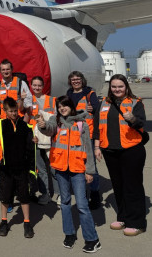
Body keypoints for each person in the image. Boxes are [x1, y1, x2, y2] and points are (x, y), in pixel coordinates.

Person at [38, 96, 101, 253]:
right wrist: (43, 126)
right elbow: (49, 129)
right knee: (65, 203)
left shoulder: (81, 124)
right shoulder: (56, 121)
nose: (62, 108)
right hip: (61, 169)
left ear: (71, 106)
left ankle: (92, 239)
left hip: (78, 170)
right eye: (59, 106)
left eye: (64, 105)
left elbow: (88, 149)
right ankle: (69, 234)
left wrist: (90, 171)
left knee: (82, 205)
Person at [93, 74, 147, 236]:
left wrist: (133, 118)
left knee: (132, 186)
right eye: (114, 86)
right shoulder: (104, 103)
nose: (117, 89)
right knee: (118, 185)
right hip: (110, 151)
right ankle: (123, 217)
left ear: (126, 87)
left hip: (131, 150)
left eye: (120, 86)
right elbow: (97, 126)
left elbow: (141, 123)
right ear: (110, 88)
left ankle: (137, 222)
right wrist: (97, 147)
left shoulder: (135, 102)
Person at [0, 98, 34, 239]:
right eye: (10, 111)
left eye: (15, 111)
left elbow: (31, 141)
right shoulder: (1, 125)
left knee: (24, 196)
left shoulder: (24, 125)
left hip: (22, 168)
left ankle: (27, 222)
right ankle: (4, 221)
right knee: (5, 196)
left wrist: (34, 140)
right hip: (6, 168)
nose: (13, 113)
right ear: (5, 111)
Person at [66, 71, 101, 210]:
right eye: (73, 79)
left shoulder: (89, 93)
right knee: (78, 164)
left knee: (91, 165)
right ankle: (83, 193)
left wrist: (93, 108)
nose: (75, 81)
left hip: (88, 135)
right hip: (73, 135)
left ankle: (95, 193)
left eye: (78, 79)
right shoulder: (69, 94)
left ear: (82, 80)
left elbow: (98, 110)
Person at [29, 76, 59, 205]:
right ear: (31, 86)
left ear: (43, 86)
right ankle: (45, 194)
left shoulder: (52, 100)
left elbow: (57, 120)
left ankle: (59, 193)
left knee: (54, 168)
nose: (37, 88)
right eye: (34, 85)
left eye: (39, 85)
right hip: (36, 139)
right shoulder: (28, 101)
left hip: (51, 139)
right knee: (41, 169)